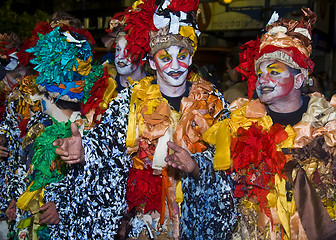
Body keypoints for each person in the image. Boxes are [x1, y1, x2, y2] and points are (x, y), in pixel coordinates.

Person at [51, 0, 238, 239]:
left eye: (182, 57)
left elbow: (230, 162)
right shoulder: (131, 99)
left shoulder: (212, 101)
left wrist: (196, 167)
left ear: (191, 59)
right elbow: (107, 143)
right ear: (151, 63)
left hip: (197, 221)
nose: (175, 66)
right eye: (165, 58)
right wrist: (85, 150)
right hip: (146, 223)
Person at [203, 8, 336, 239]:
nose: (263, 79)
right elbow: (219, 187)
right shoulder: (238, 124)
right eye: (260, 72)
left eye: (273, 72)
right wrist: (196, 169)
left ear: (299, 79)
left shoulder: (329, 125)